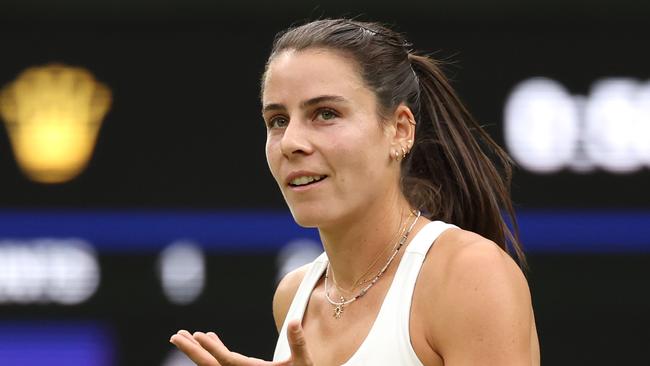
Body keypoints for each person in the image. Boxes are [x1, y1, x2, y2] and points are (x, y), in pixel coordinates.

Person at [170, 18, 540, 366]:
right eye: (278, 120)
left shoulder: (470, 274)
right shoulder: (292, 296)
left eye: (325, 113)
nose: (291, 142)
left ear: (399, 130)